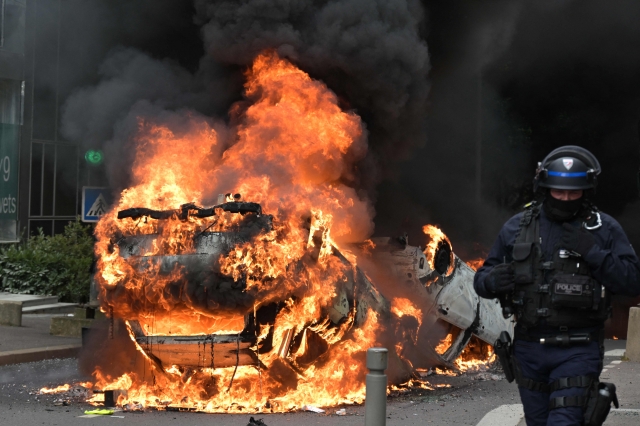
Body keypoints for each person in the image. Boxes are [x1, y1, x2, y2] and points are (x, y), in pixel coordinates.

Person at [474, 145, 640, 426]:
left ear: (586, 191)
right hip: (529, 350)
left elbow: (631, 280)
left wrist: (594, 253)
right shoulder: (517, 227)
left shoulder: (603, 228)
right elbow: (481, 279)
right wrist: (491, 280)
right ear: (544, 188)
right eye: (558, 192)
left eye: (573, 193)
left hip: (579, 348)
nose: (565, 198)